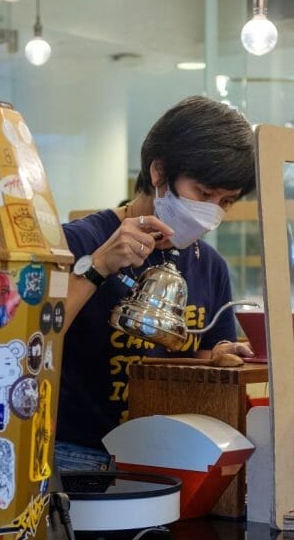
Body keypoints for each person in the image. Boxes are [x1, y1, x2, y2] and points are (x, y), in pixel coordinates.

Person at [55, 96, 257, 472]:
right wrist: (99, 266)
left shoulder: (210, 265)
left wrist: (220, 357)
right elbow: (31, 343)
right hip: (79, 457)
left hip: (172, 456)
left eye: (226, 201)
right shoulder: (79, 242)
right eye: (204, 193)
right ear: (159, 173)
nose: (212, 211)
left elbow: (196, 357)